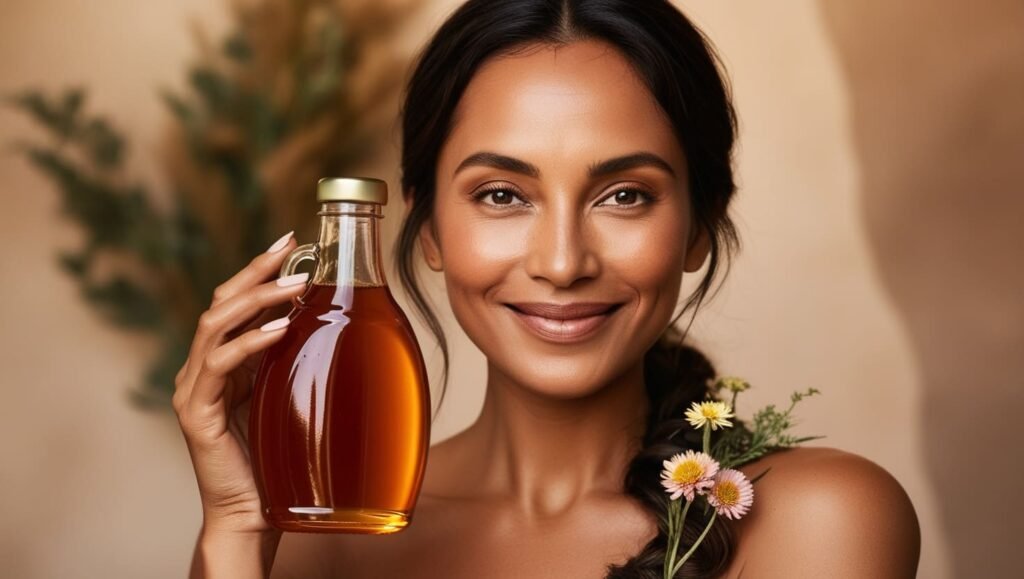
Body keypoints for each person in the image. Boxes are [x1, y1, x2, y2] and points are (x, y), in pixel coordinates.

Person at [174, 1, 921, 577]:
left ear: (700, 225)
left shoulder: (824, 520)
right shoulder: (331, 537)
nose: (562, 262)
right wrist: (238, 526)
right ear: (427, 226)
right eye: (502, 195)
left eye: (625, 195)